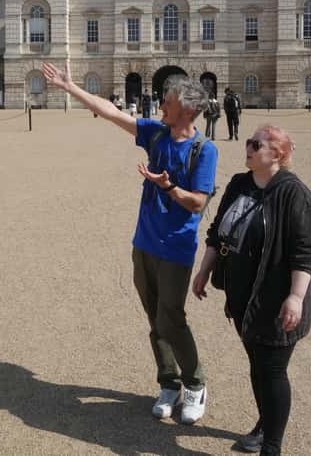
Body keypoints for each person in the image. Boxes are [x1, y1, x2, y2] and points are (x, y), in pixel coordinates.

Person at [41, 62, 218, 425]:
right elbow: (110, 113)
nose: (159, 105)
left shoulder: (204, 149)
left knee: (172, 318)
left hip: (176, 248)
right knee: (155, 319)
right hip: (145, 244)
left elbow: (199, 203)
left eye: (166, 101)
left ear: (185, 108)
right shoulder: (155, 134)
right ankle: (168, 383)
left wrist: (167, 186)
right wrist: (72, 89)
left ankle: (195, 384)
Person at [192, 126, 311, 455]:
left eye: (256, 144)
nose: (247, 147)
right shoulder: (239, 183)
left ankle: (272, 448)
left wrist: (295, 296)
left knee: (273, 369)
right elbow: (216, 232)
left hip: (277, 299)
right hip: (242, 296)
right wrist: (204, 271)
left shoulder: (293, 193)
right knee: (256, 363)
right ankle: (265, 423)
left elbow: (306, 250)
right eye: (249, 142)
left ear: (277, 154)